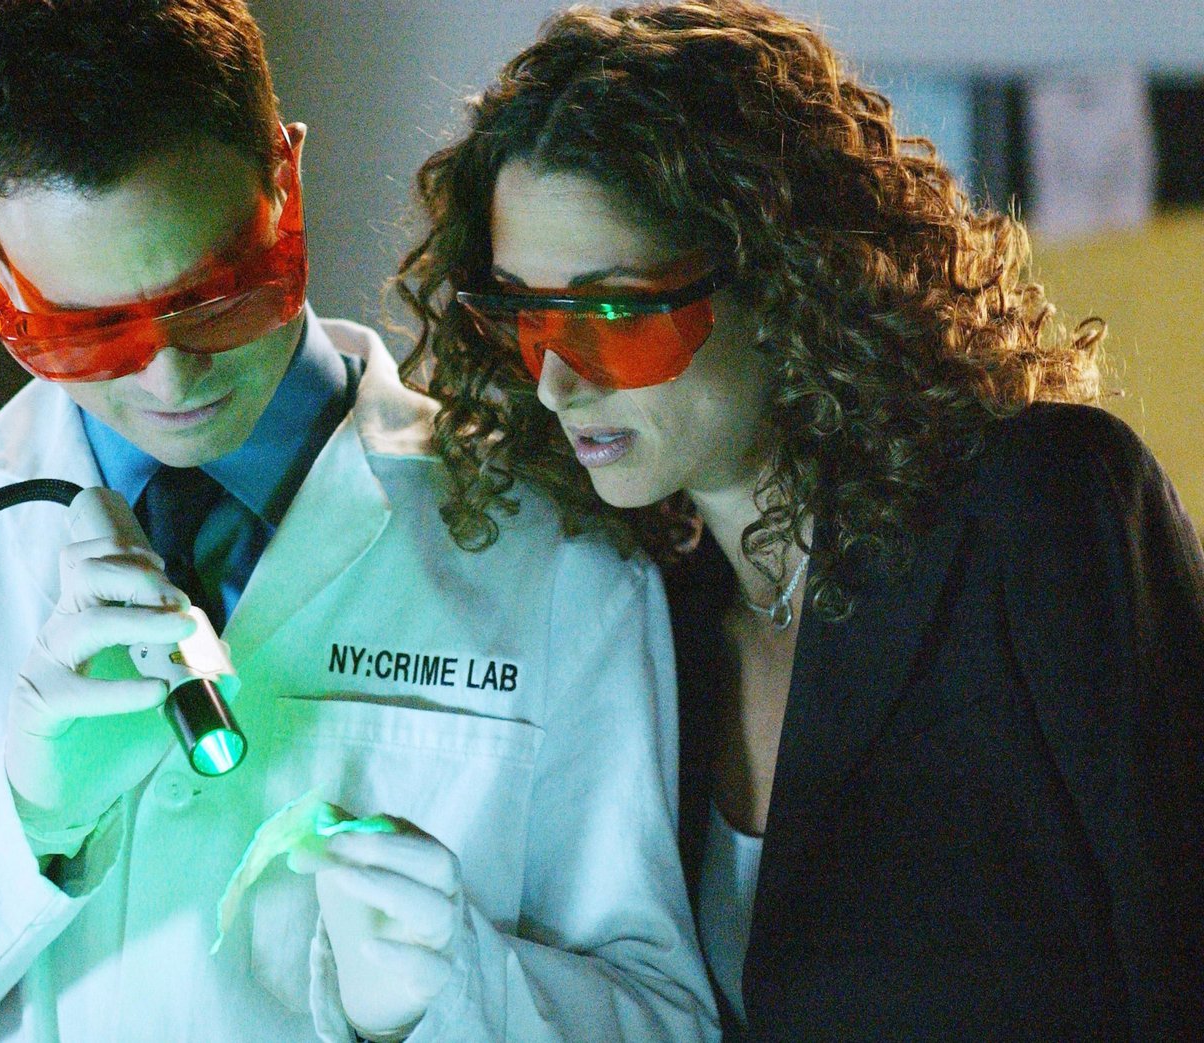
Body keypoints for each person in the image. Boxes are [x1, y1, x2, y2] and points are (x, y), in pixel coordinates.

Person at [0, 2, 721, 1040]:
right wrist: (16, 822)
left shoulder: (552, 552)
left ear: (286, 181)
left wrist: (460, 991)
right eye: (85, 329)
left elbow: (662, 1017)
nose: (169, 378)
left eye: (218, 297)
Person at [397, 2, 1204, 1039]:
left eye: (617, 316)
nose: (557, 381)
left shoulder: (1036, 504)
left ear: (787, 281)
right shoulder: (644, 610)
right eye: (526, 315)